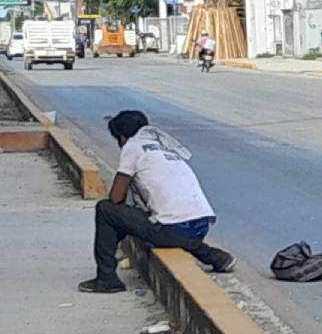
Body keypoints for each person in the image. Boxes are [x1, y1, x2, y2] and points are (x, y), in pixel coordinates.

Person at [79, 111, 235, 293]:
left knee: (105, 210)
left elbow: (116, 198)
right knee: (170, 224)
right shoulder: (163, 146)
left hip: (174, 228)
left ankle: (107, 278)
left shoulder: (132, 147)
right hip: (201, 225)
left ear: (122, 137)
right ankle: (215, 257)